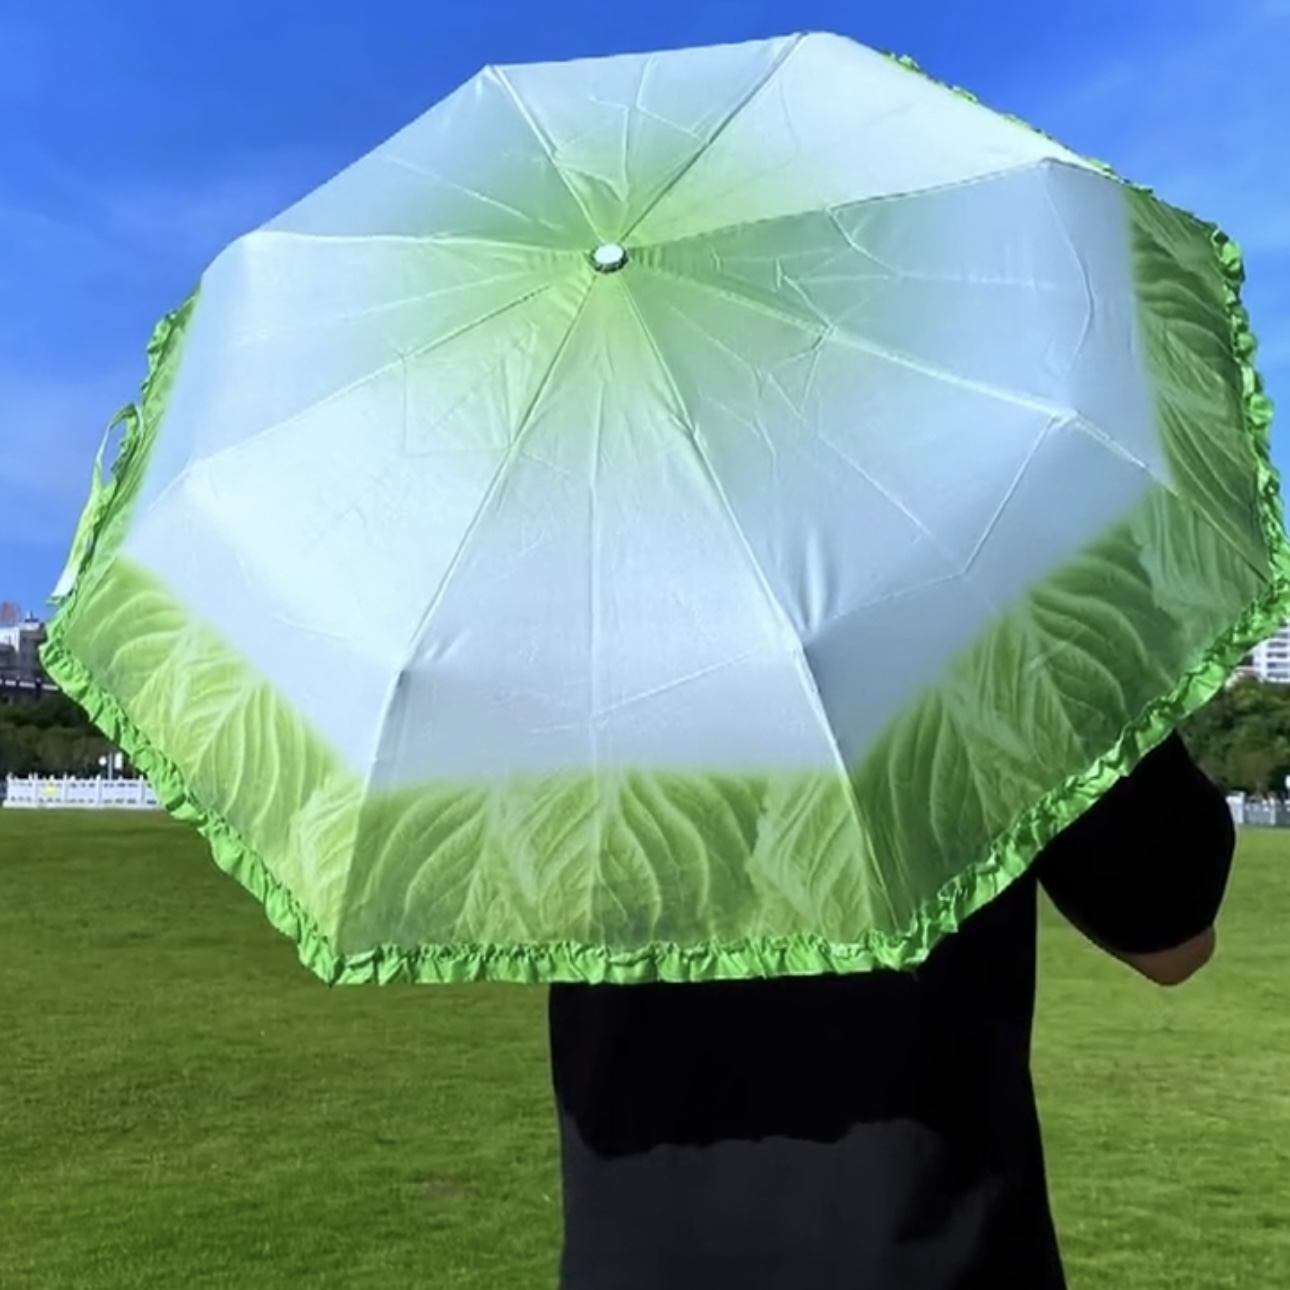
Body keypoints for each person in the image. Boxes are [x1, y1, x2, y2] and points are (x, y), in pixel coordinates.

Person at [547, 732, 1235, 1289]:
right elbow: (1173, 940)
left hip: (635, 1243)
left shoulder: (566, 625)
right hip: (925, 1244)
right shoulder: (976, 609)